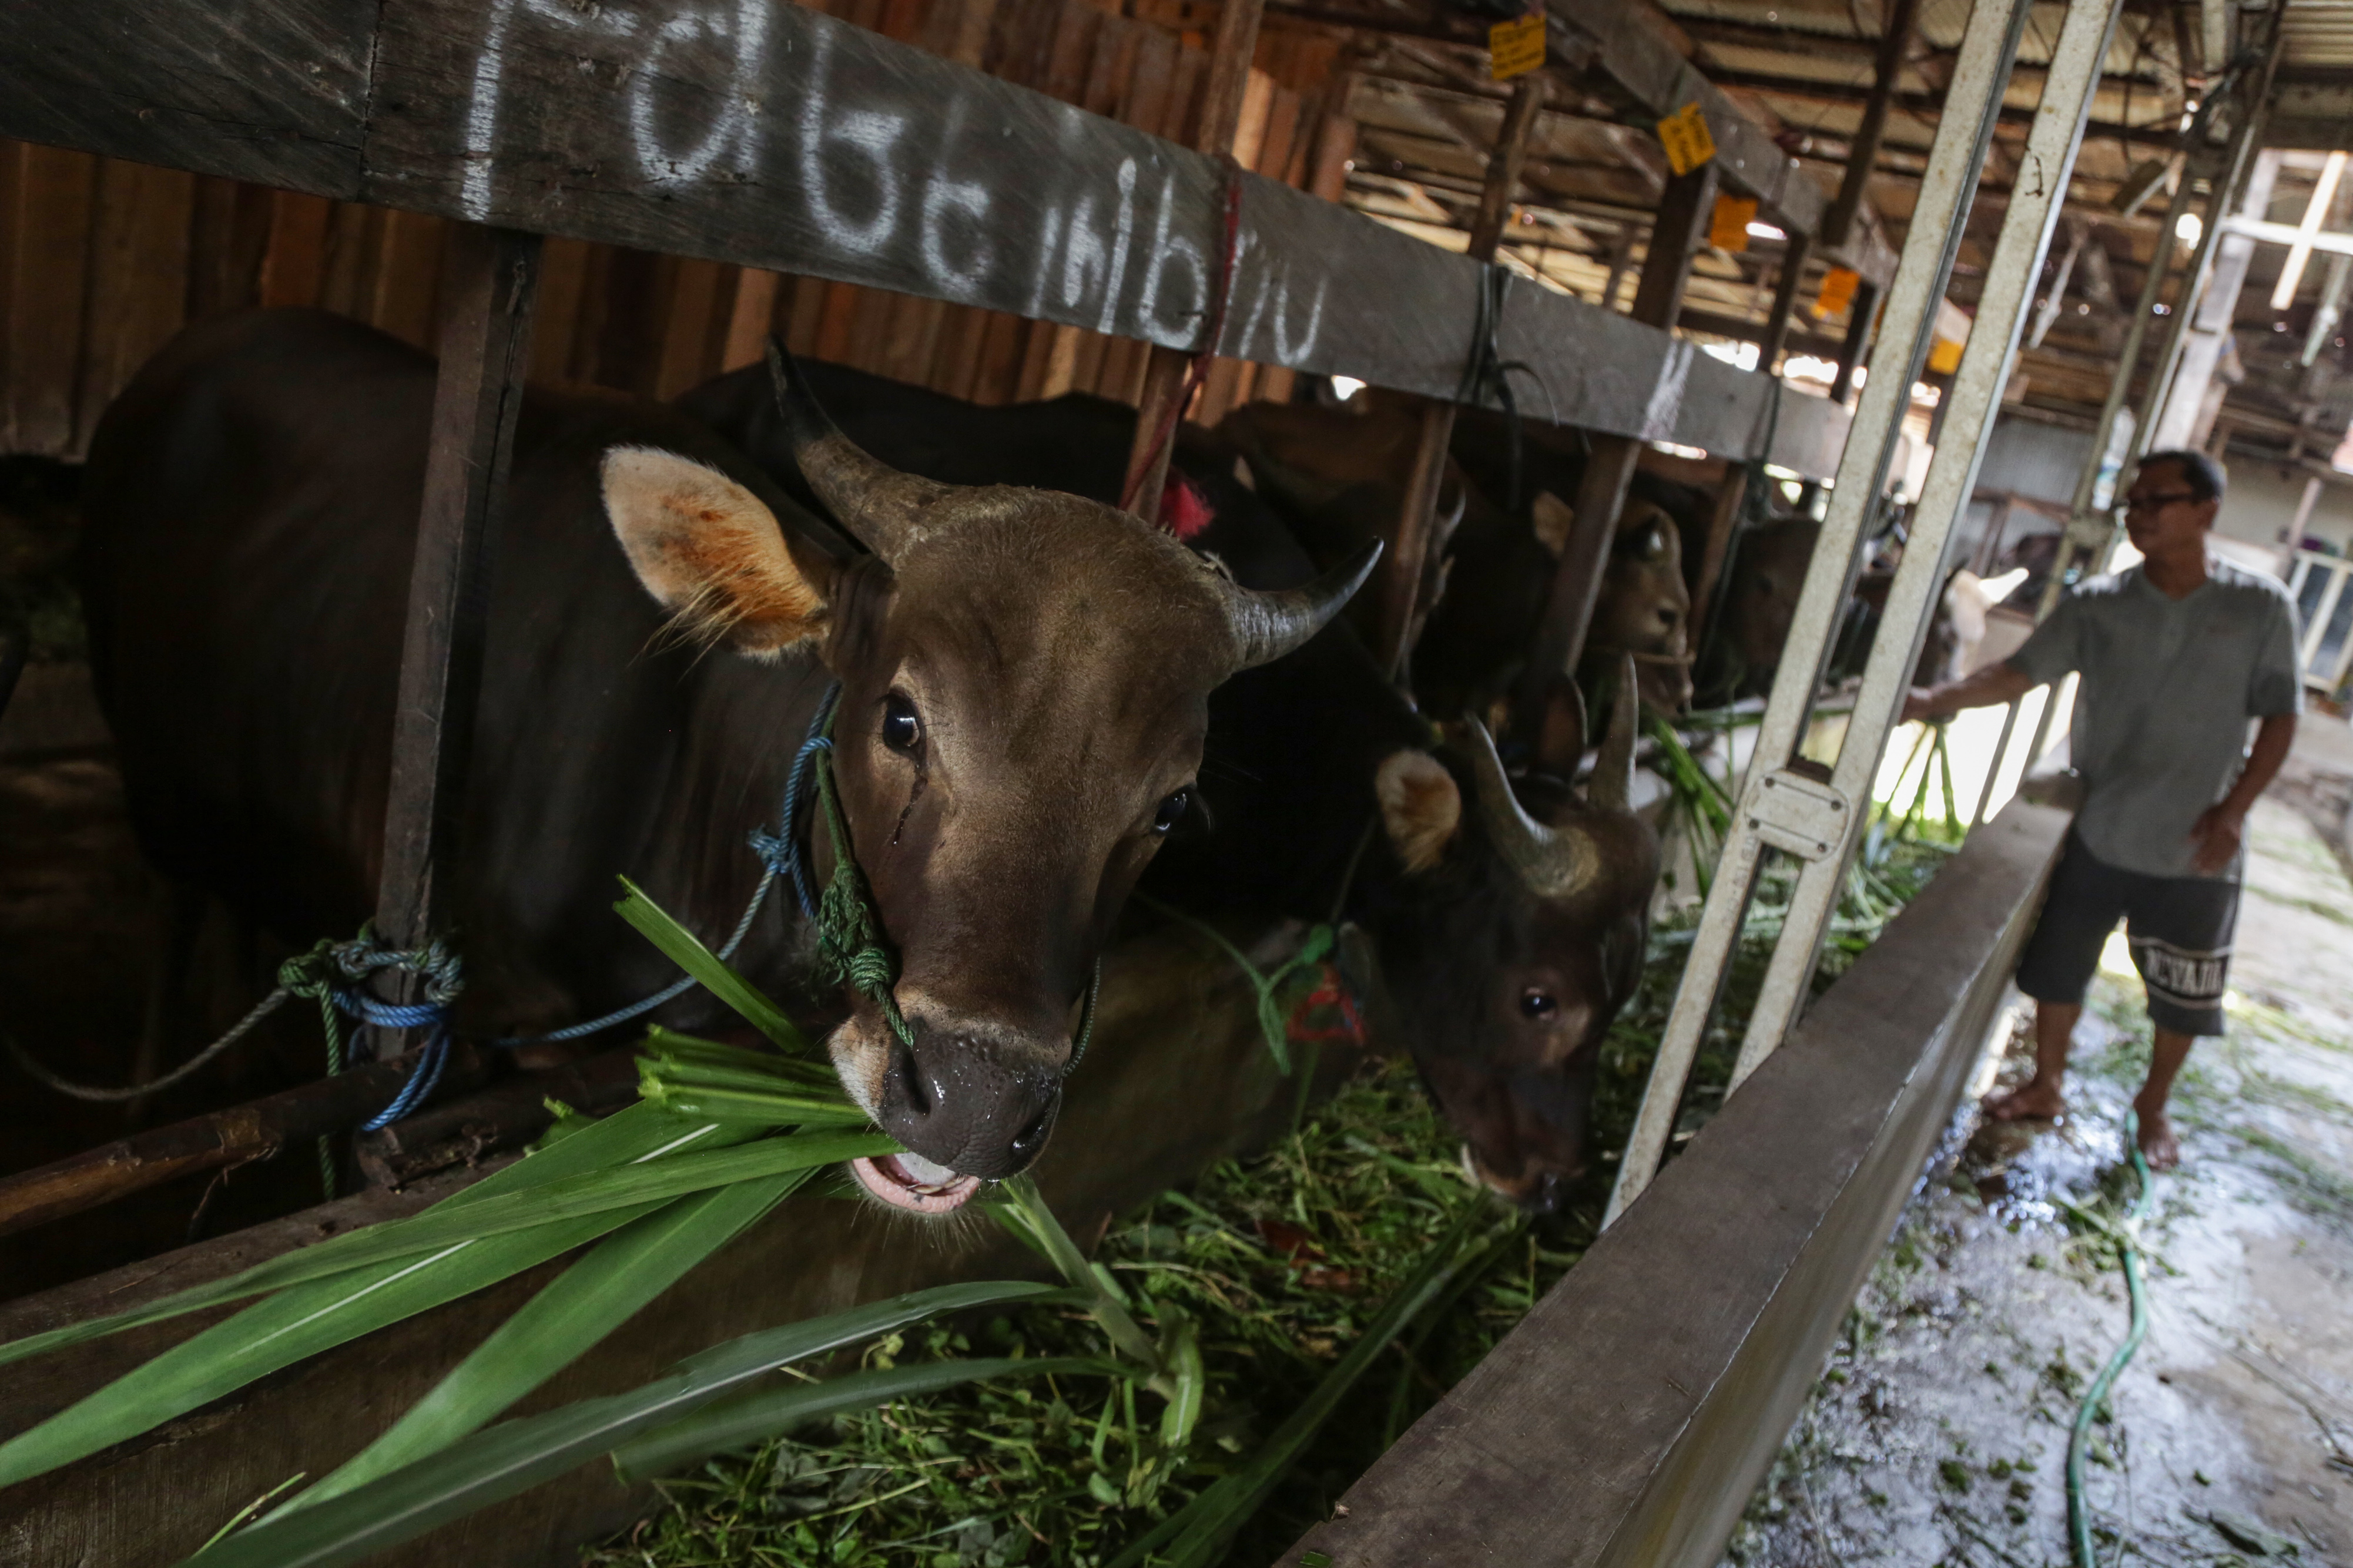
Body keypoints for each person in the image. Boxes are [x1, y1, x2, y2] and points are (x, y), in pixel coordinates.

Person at [1902, 450, 2301, 1170]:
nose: (2140, 515)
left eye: (2158, 501)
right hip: (2103, 825)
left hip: (2197, 843)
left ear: (2207, 510)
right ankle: (2047, 1082)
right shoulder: (2098, 604)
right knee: (2058, 970)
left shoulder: (2259, 607)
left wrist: (2234, 811)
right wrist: (1932, 701)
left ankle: (2151, 1104)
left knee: (2181, 992)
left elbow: (2279, 717)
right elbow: (2015, 673)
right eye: (2132, 504)